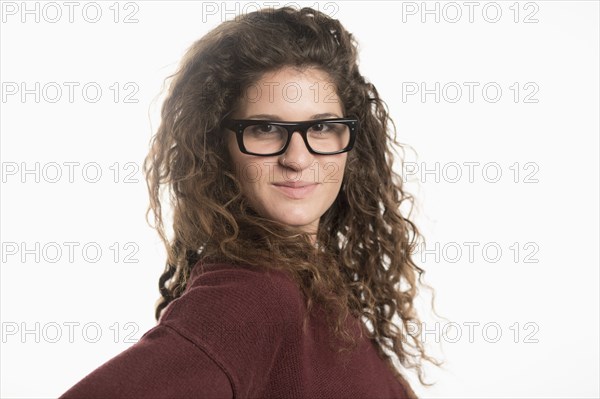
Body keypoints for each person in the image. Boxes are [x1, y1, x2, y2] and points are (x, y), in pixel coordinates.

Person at [59, 6, 438, 398]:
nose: (297, 158)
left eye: (322, 127)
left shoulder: (319, 285)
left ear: (351, 145)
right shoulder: (253, 296)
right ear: (217, 147)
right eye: (266, 128)